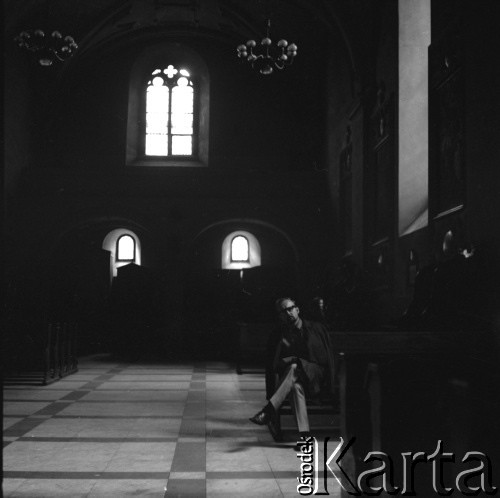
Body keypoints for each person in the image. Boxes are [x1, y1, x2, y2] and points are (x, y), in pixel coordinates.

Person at [249, 297, 335, 442]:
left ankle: (269, 410)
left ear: (297, 309)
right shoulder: (281, 335)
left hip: (316, 377)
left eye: (290, 309)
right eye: (283, 311)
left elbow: (323, 359)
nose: (288, 313)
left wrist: (297, 361)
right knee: (295, 387)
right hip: (296, 379)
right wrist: (290, 360)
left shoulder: (315, 328)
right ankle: (305, 437)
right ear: (280, 316)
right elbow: (276, 364)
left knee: (294, 366)